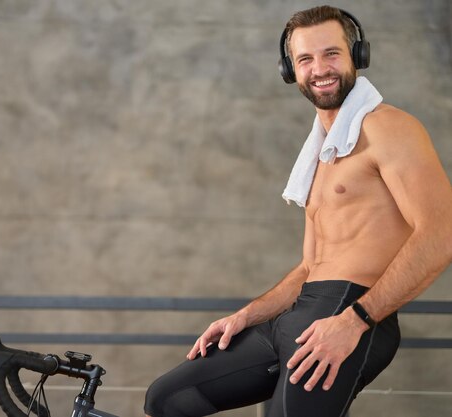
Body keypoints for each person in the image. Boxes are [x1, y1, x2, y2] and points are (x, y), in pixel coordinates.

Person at [144, 5, 452, 417]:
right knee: (167, 399)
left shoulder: (389, 128)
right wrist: (246, 315)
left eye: (332, 54)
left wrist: (355, 321)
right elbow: (311, 266)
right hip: (298, 313)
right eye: (305, 59)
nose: (319, 68)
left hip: (351, 314)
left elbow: (441, 233)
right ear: (290, 70)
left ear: (358, 55)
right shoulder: (322, 150)